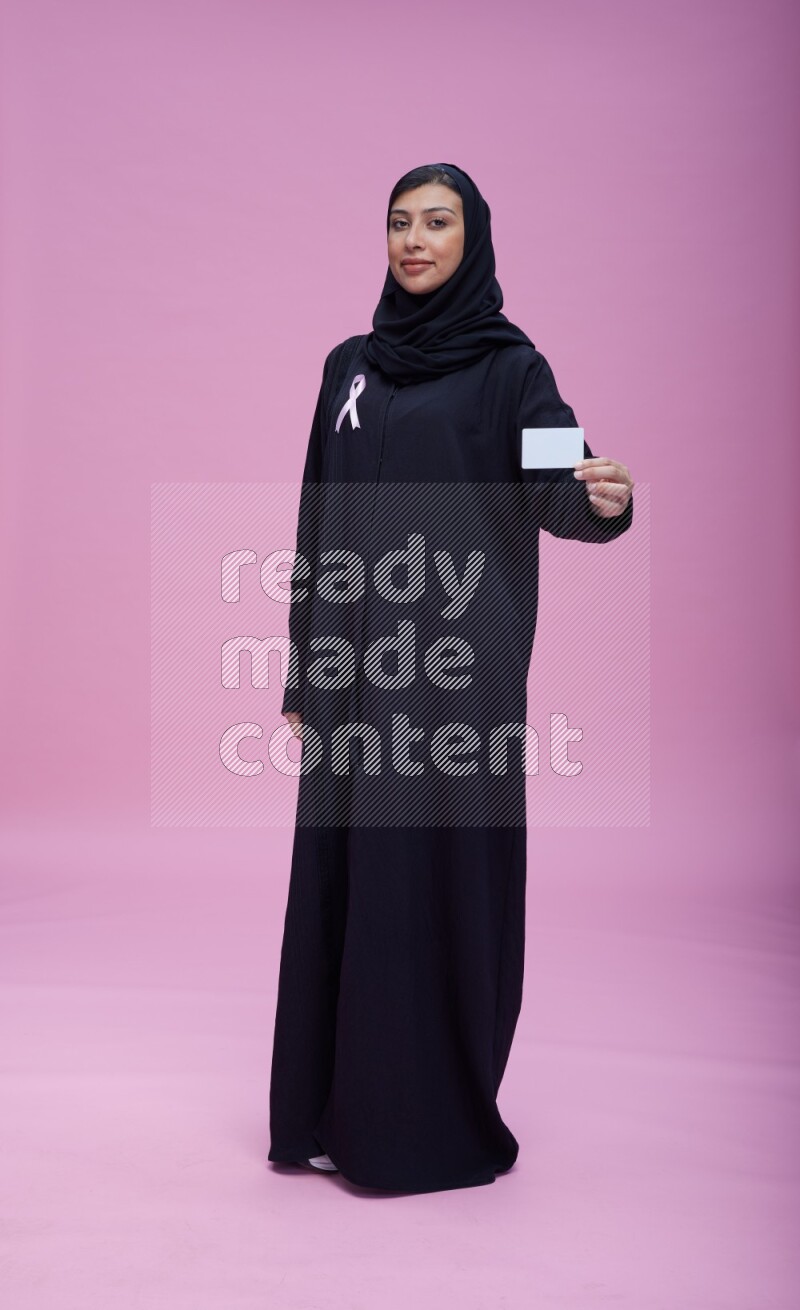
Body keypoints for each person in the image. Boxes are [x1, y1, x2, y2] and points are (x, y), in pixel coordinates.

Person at [267, 162, 634, 1194]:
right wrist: (302, 664)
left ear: (472, 236)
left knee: (422, 883)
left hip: (449, 685)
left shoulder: (511, 371)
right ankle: (328, 1110)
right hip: (349, 674)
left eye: (436, 222)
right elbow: (313, 518)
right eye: (398, 222)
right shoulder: (349, 366)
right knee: (344, 878)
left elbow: (562, 484)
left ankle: (421, 1120)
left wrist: (599, 495)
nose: (413, 239)